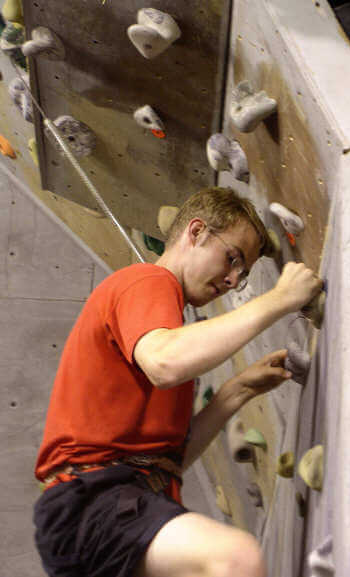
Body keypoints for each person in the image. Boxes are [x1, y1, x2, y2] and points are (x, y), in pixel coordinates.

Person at [33, 187, 323, 577]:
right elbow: (166, 362)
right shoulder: (147, 282)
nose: (233, 279)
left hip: (113, 502)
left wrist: (238, 390)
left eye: (243, 274)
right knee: (234, 558)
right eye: (232, 258)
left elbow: (169, 463)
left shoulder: (164, 324)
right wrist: (280, 298)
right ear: (196, 232)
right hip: (94, 502)